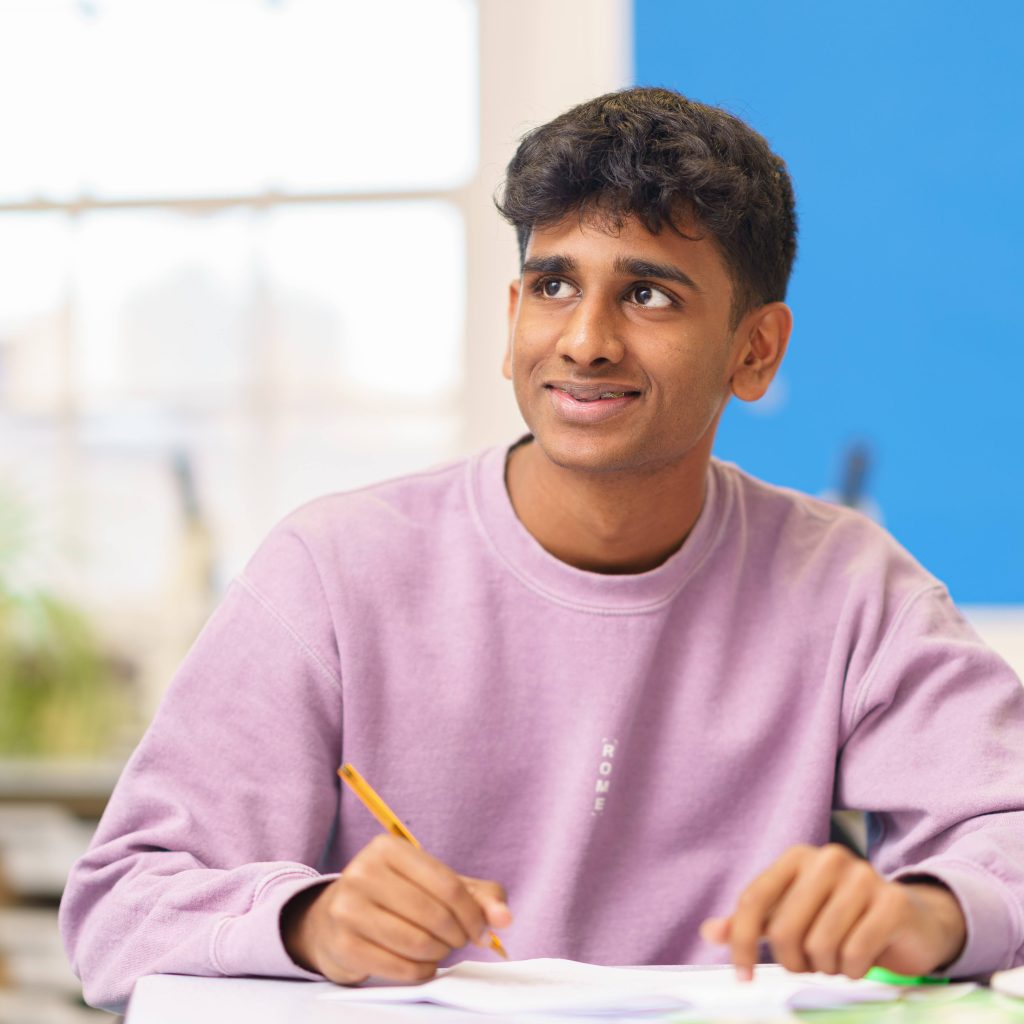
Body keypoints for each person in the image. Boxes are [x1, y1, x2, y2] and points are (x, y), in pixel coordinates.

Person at [60, 87, 1024, 1013]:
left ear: (756, 351)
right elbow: (117, 912)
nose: (586, 340)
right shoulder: (331, 570)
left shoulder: (852, 587)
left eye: (648, 294)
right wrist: (308, 921)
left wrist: (925, 914)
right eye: (555, 284)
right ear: (514, 314)